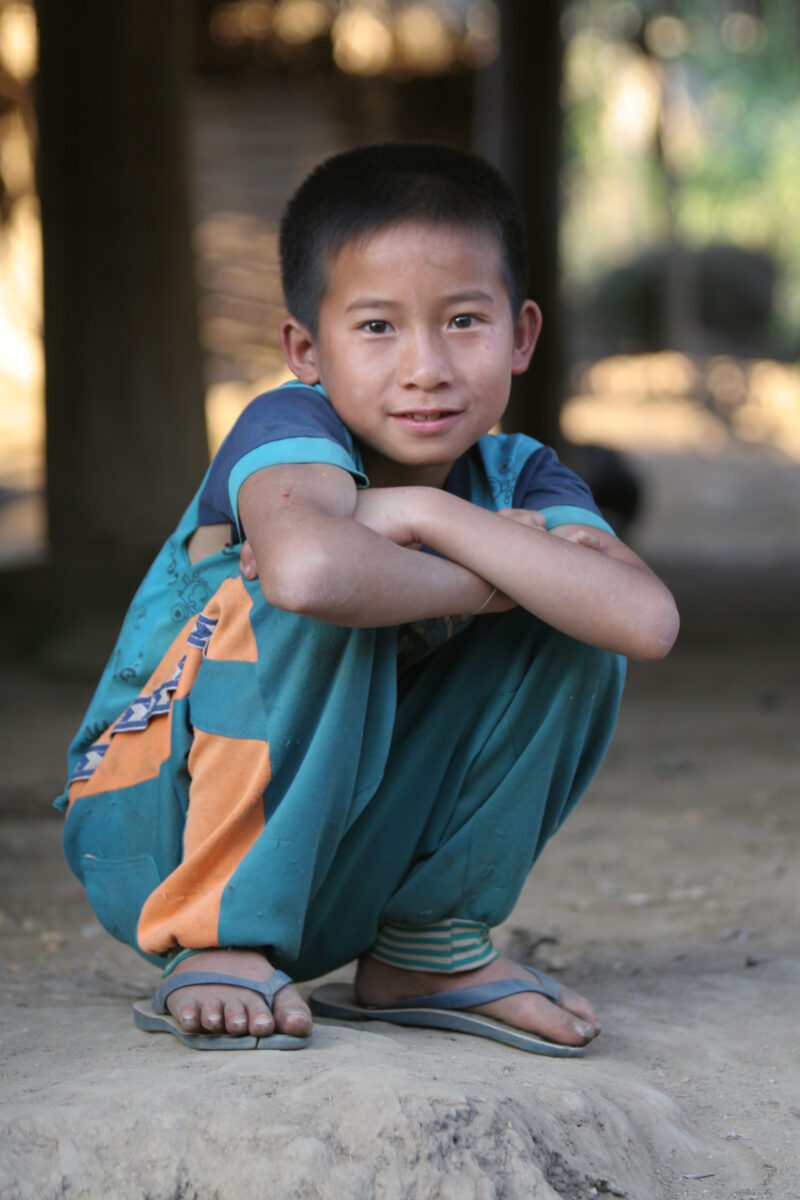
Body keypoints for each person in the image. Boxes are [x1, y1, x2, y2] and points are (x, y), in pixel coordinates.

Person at [56, 142, 679, 1054]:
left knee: (577, 620)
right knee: (329, 597)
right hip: (156, 824)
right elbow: (308, 573)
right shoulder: (288, 427)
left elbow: (644, 621)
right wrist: (505, 570)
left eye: (464, 321)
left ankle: (428, 946)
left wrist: (426, 513)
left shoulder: (519, 474)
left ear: (522, 335)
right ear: (306, 348)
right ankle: (215, 936)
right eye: (378, 328)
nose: (425, 367)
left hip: (339, 841)